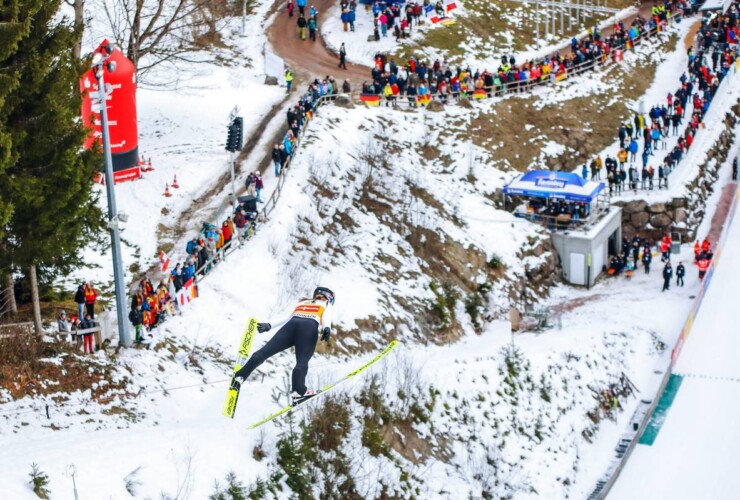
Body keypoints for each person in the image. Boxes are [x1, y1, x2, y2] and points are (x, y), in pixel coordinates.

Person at [232, 287, 335, 404]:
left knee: (264, 352)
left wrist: (269, 325)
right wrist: (327, 328)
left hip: (291, 325)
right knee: (302, 362)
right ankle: (298, 391)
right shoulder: (325, 304)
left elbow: (287, 317)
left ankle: (240, 375)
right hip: (308, 327)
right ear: (330, 298)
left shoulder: (303, 302)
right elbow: (327, 315)